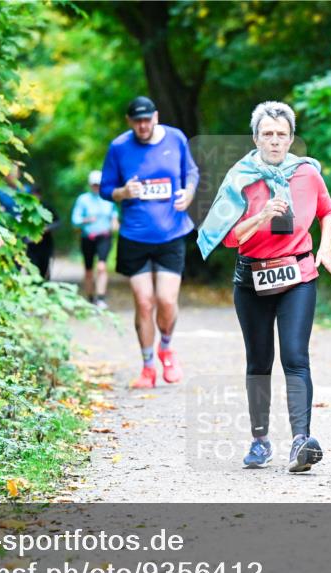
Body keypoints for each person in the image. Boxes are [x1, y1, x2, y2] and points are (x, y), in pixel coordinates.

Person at [197, 101, 331, 473]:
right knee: (259, 361)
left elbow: (327, 210)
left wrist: (325, 248)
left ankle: (300, 442)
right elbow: (230, 238)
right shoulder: (240, 178)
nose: (275, 141)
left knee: (295, 357)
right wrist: (262, 216)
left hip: (298, 275)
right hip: (252, 279)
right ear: (256, 139)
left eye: (281, 134)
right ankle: (260, 441)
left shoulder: (307, 173)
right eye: (267, 134)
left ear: (291, 139)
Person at [100, 96, 199, 388]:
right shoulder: (119, 147)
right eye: (137, 121)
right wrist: (122, 193)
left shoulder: (176, 138)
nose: (143, 126)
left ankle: (166, 347)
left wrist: (189, 193)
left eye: (147, 120)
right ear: (129, 122)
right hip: (134, 235)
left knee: (166, 300)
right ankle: (147, 368)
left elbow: (191, 173)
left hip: (171, 233)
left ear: (155, 117)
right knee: (144, 303)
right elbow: (105, 189)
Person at [0, 164, 56, 280]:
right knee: (10, 265)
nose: (12, 175)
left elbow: (35, 208)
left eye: (14, 172)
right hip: (8, 233)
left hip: (25, 235)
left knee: (32, 265)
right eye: (9, 172)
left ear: (19, 174)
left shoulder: (27, 191)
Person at [71, 170, 119, 307]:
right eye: (94, 184)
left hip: (104, 237)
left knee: (102, 267)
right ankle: (90, 298)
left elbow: (114, 215)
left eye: (99, 184)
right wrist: (86, 220)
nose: (96, 187)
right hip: (88, 238)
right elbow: (75, 220)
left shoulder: (108, 199)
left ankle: (101, 297)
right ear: (90, 185)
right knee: (89, 270)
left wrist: (115, 223)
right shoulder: (83, 199)